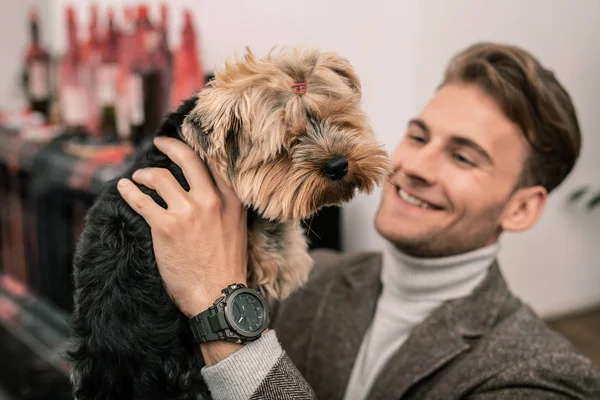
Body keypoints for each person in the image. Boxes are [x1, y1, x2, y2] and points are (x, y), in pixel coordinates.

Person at [116, 42, 600, 399]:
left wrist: (216, 303)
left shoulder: (541, 376)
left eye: (463, 157)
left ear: (522, 208)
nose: (414, 166)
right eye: (418, 136)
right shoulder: (310, 278)